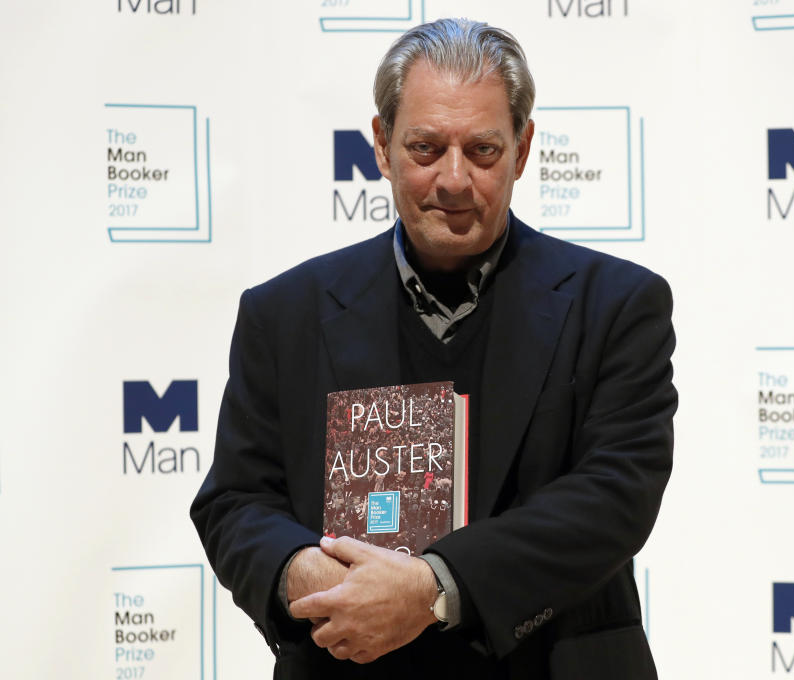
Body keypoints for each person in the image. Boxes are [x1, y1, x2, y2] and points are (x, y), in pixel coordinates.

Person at [191, 18, 676, 680]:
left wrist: (433, 588)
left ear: (523, 148)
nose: (452, 180)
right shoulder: (283, 314)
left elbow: (615, 496)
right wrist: (298, 573)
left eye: (481, 150)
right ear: (382, 146)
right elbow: (235, 502)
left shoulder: (616, 305)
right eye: (424, 148)